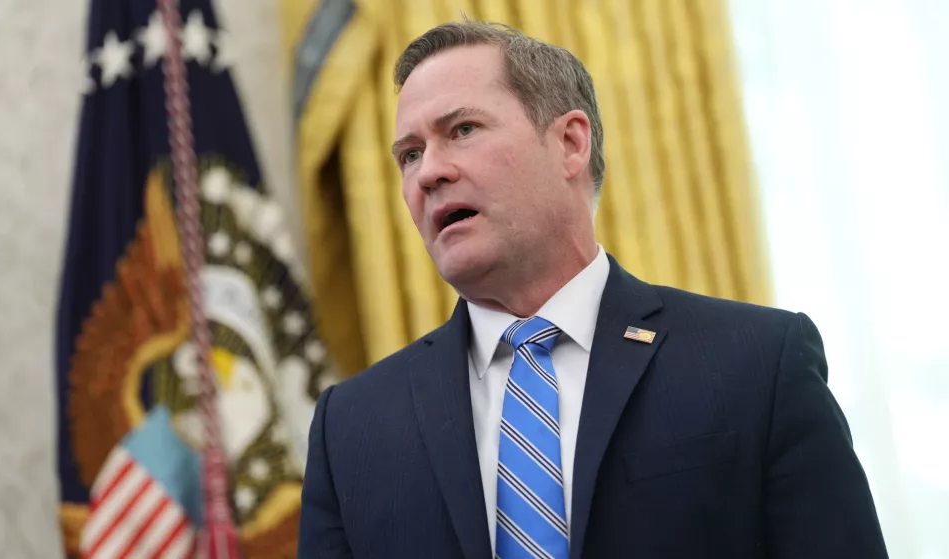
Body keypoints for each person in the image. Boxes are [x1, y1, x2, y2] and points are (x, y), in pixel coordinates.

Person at [296, 21, 888, 559]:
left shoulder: (758, 363)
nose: (429, 172)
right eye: (410, 154)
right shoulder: (351, 428)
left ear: (571, 144)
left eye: (463, 129)